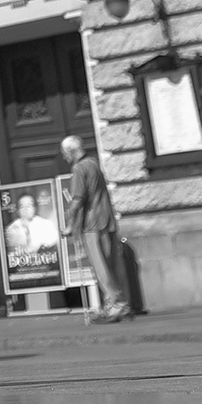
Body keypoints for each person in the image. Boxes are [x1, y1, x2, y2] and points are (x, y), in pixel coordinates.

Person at [64, 134, 133, 323]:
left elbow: (78, 199)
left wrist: (70, 223)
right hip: (107, 219)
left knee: (101, 267)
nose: (64, 157)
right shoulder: (94, 163)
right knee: (111, 264)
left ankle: (116, 304)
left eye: (65, 153)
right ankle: (118, 303)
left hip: (92, 223)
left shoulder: (78, 168)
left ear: (71, 151)